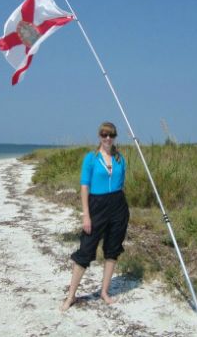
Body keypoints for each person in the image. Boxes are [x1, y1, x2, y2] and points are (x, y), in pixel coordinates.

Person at [61, 122, 130, 311]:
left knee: (112, 249)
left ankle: (104, 292)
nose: (108, 138)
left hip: (118, 206)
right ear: (99, 136)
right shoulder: (91, 158)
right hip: (96, 206)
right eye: (104, 134)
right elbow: (85, 186)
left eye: (111, 135)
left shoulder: (120, 159)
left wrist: (118, 205)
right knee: (86, 250)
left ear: (115, 137)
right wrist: (86, 216)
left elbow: (121, 183)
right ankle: (71, 296)